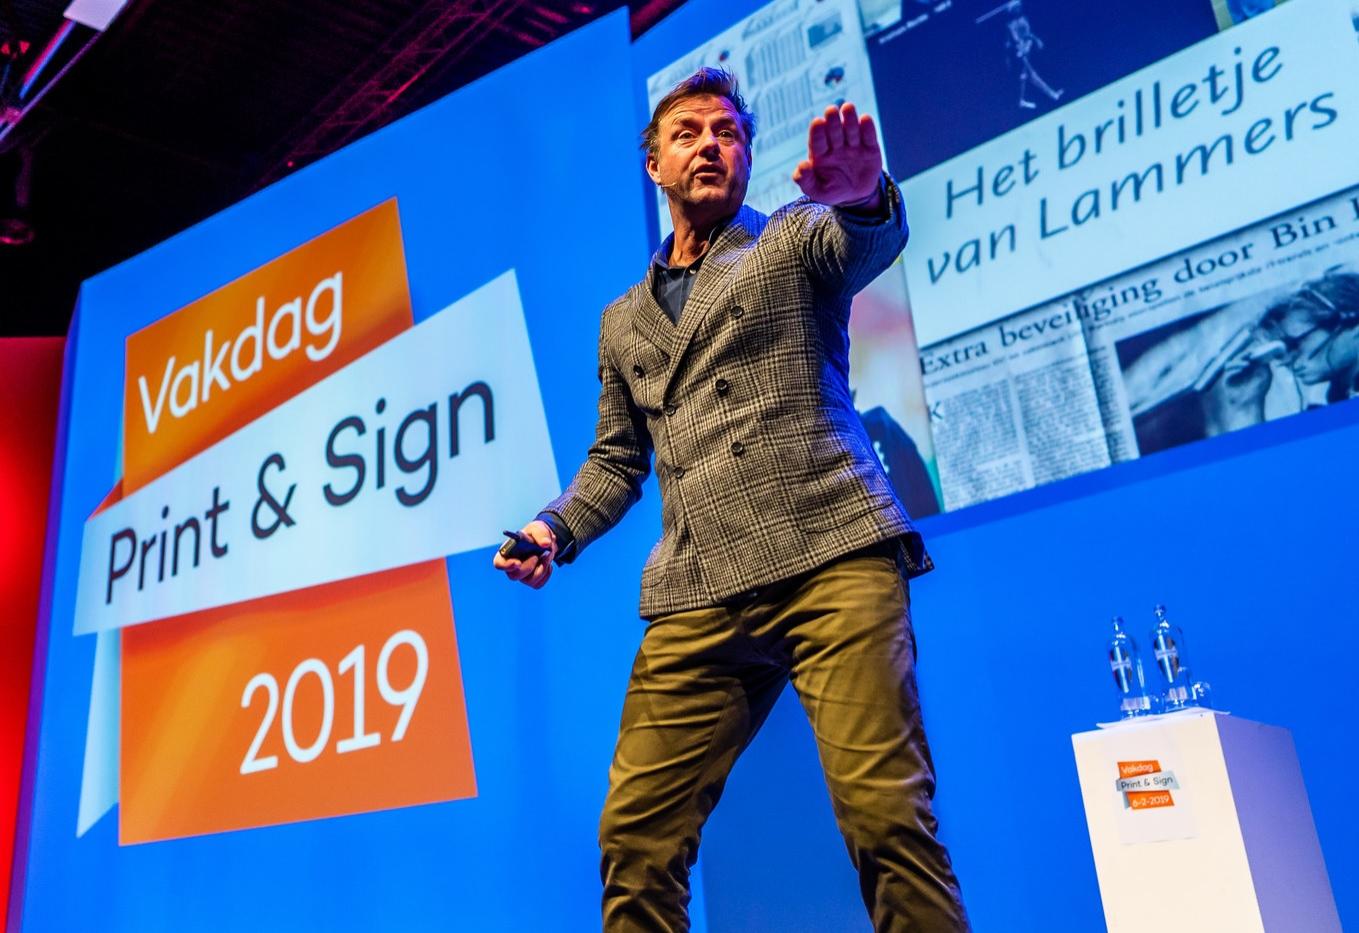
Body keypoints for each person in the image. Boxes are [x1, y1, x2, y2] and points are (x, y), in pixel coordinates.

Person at [493, 67, 968, 932]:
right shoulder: (621, 320)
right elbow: (615, 459)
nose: (710, 145)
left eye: (727, 132)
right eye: (688, 133)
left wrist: (863, 197)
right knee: (635, 842)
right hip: (698, 588)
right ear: (654, 166)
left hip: (829, 555)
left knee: (887, 820)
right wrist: (552, 527)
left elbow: (858, 241)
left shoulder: (790, 238)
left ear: (747, 155)